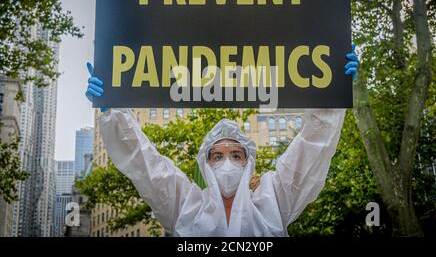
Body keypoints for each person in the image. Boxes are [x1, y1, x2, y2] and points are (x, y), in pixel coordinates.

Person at [85, 45, 359, 236]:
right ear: (205, 163)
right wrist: (114, 109)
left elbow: (312, 147)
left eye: (236, 155)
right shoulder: (184, 204)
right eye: (217, 156)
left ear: (248, 162)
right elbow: (145, 163)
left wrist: (332, 89)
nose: (227, 163)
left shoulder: (273, 199)